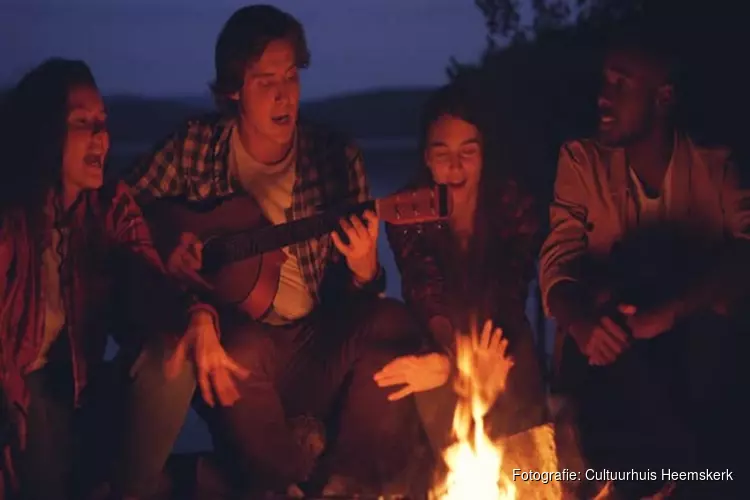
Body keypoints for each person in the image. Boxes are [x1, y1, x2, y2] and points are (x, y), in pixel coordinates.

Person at [121, 4, 423, 497]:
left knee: (394, 324)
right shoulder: (194, 147)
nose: (285, 95)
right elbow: (118, 211)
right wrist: (163, 247)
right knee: (238, 350)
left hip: (315, 340)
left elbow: (357, 304)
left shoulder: (334, 156)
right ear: (234, 89)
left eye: (292, 77)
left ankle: (342, 480)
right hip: (244, 345)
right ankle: (286, 478)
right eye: (266, 81)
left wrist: (365, 265)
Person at [539, 24, 747, 498]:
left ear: (663, 96)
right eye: (603, 82)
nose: (602, 97)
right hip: (605, 356)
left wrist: (665, 314)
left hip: (691, 359)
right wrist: (582, 323)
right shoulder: (581, 161)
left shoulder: (715, 165)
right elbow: (558, 261)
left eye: (621, 83)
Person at [0, 59, 216, 500]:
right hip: (20, 396)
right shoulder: (11, 215)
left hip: (83, 388)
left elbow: (148, 279)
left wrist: (196, 315)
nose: (101, 136)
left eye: (103, 122)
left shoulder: (110, 205)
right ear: (44, 132)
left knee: (177, 348)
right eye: (83, 123)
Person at [382, 81, 548, 455]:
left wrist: (488, 357)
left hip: (500, 332)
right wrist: (452, 361)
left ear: (484, 154)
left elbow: (511, 285)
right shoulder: (407, 211)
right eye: (442, 153)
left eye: (468, 152)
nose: (455, 166)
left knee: (525, 443)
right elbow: (424, 288)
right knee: (426, 384)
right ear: (426, 157)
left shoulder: (512, 204)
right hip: (438, 335)